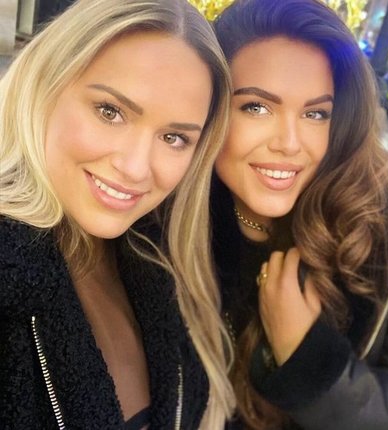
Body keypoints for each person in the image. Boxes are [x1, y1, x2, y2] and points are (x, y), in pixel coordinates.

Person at [211, 0, 388, 429]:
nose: (290, 143)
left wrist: (309, 360)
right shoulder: (170, 206)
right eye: (257, 107)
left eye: (315, 114)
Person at [0, 0, 235, 428]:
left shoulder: (158, 259)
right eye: (110, 112)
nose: (136, 168)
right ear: (45, 85)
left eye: (174, 138)